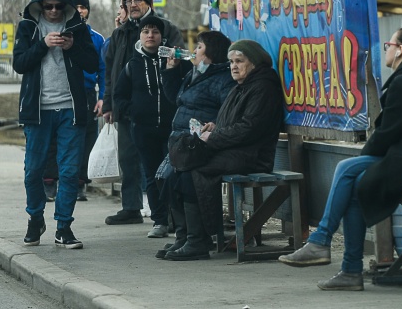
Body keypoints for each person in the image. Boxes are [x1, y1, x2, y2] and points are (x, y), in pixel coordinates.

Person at [277, 26, 402, 290]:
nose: (387, 51)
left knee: (347, 168)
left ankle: (322, 241)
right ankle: (349, 272)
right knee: (356, 186)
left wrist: (366, 155)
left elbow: (387, 133)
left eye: (389, 46)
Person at [164, 40, 283, 261]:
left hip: (251, 156)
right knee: (177, 169)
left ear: (255, 63)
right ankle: (186, 237)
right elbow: (234, 122)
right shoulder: (244, 85)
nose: (234, 66)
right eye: (231, 62)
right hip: (233, 150)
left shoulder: (263, 86)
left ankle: (198, 240)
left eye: (240, 61)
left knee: (193, 170)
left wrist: (214, 137)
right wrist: (214, 126)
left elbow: (250, 128)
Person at [13, 0, 99, 250]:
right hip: (37, 111)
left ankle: (64, 226)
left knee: (70, 171)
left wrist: (71, 46)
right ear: (39, 5)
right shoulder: (28, 26)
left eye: (57, 6)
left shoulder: (76, 27)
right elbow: (19, 63)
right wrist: (43, 45)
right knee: (34, 170)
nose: (52, 11)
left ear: (66, 6)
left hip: (70, 109)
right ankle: (35, 219)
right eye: (47, 6)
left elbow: (93, 63)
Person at [102, 0, 185, 226]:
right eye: (128, 1)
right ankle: (131, 207)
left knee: (163, 162)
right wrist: (109, 104)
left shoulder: (165, 28)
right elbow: (111, 72)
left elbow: (179, 60)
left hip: (160, 109)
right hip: (128, 108)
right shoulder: (120, 33)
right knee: (128, 159)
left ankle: (168, 213)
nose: (133, 5)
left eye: (138, 0)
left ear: (148, 3)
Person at [155, 30, 236, 259]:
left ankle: (197, 240)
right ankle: (183, 236)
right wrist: (170, 71)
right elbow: (177, 99)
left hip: (197, 143)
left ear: (211, 53)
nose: (195, 51)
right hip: (180, 140)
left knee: (182, 181)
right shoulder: (196, 73)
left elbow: (227, 111)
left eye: (199, 47)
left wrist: (214, 125)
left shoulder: (222, 78)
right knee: (165, 179)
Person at [113, 15, 177, 238]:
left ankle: (177, 220)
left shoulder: (173, 60)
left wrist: (173, 68)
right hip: (143, 129)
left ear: (162, 37)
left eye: (155, 32)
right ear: (140, 36)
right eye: (146, 32)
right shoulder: (133, 64)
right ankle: (159, 221)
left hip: (171, 129)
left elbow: (184, 87)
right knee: (151, 175)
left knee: (172, 174)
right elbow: (118, 96)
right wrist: (134, 112)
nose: (151, 35)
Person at [70, 0, 106, 201]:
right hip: (66, 92)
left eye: (83, 7)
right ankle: (57, 180)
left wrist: (101, 97)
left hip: (87, 93)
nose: (80, 11)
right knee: (65, 136)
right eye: (76, 7)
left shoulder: (97, 38)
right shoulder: (63, 34)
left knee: (87, 138)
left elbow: (102, 71)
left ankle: (80, 183)